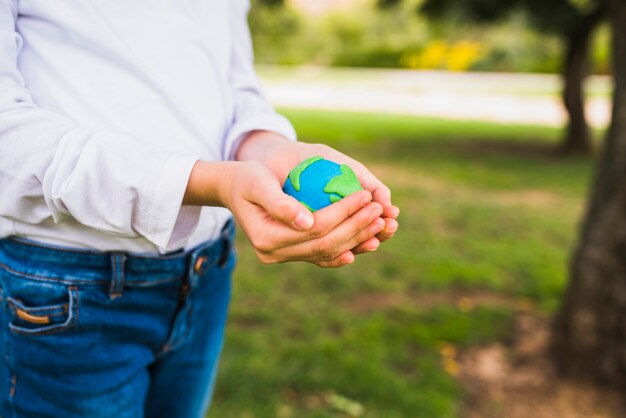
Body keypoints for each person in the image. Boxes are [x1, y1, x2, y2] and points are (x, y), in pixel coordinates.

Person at [0, 1, 399, 417]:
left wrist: (273, 151)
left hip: (207, 273)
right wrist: (208, 181)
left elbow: (236, 90)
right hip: (67, 295)